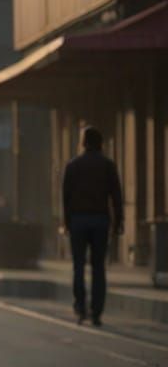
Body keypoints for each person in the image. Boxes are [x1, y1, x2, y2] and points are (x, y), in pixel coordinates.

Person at [62, 126, 123, 326]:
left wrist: (66, 222)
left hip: (78, 220)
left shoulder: (73, 165)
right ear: (101, 143)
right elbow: (116, 196)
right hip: (100, 220)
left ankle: (80, 306)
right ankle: (96, 311)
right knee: (99, 268)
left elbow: (66, 197)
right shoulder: (108, 165)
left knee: (78, 266)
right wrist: (119, 221)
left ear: (83, 142)